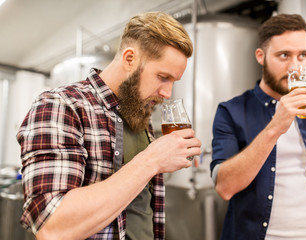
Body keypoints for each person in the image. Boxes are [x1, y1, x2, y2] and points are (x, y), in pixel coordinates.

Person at [17, 11, 201, 240]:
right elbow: (52, 227)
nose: (167, 92)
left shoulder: (139, 115)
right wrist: (152, 161)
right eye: (163, 77)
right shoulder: (61, 105)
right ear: (129, 59)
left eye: (173, 81)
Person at [211, 14, 306, 240]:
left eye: (302, 56)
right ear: (261, 56)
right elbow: (224, 187)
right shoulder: (231, 111)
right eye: (284, 55)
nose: (294, 67)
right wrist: (275, 126)